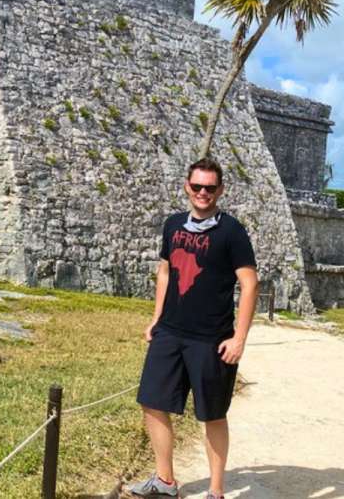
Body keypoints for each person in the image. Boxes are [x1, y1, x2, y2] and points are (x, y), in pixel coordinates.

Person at [126, 157, 259, 499]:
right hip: (170, 331)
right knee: (151, 402)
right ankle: (165, 480)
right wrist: (156, 318)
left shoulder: (231, 231)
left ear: (220, 190)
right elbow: (166, 271)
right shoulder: (173, 225)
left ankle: (216, 491)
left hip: (212, 338)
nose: (203, 193)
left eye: (210, 188)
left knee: (211, 415)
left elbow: (249, 283)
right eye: (197, 186)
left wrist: (239, 338)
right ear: (187, 186)